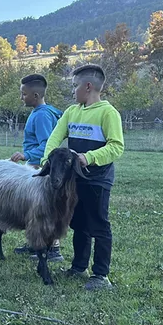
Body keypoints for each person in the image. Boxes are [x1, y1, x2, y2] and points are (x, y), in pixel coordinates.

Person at [42, 64, 124, 291]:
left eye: (75, 86)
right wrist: (46, 161)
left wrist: (89, 158)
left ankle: (100, 275)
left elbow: (116, 147)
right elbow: (54, 138)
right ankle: (78, 267)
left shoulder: (108, 113)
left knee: (98, 224)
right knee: (78, 223)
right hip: (74, 181)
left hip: (98, 180)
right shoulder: (71, 112)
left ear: (88, 86)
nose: (73, 91)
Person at [9, 74, 64, 262]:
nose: (21, 98)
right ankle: (34, 242)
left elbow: (48, 145)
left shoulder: (42, 115)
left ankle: (53, 249)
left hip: (39, 167)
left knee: (45, 208)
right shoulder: (38, 112)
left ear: (36, 95)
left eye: (23, 94)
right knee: (33, 209)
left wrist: (27, 156)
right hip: (33, 166)